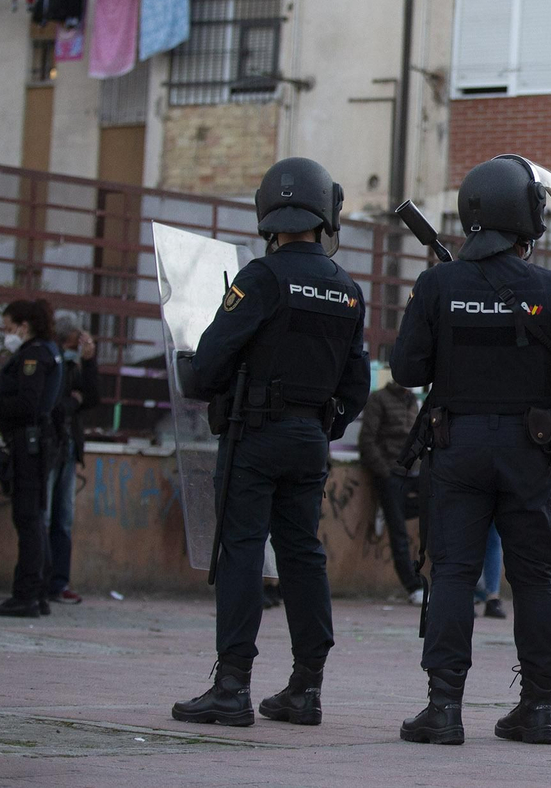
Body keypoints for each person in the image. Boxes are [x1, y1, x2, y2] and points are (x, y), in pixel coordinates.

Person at [391, 154, 551, 747]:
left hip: (456, 447)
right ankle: (537, 709)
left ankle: (443, 708)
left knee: (454, 571)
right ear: (527, 216)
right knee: (535, 578)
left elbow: (407, 368)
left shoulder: (437, 284)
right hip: (531, 454)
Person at [172, 157, 371, 729]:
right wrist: (317, 425)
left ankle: (232, 686)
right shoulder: (348, 289)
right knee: (303, 555)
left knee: (241, 549)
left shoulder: (261, 278)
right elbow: (356, 385)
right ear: (325, 214)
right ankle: (306, 688)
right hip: (310, 440)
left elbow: (210, 361)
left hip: (255, 436)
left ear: (268, 213)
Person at [0, 299, 63, 617]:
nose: (6, 333)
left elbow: (26, 404)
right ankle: (37, 594)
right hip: (33, 445)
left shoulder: (35, 354)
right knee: (34, 519)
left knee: (28, 519)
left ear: (24, 326)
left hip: (29, 446)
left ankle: (26, 596)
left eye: (8, 328)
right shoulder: (40, 350)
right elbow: (15, 385)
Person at [45, 314, 99, 605]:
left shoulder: (75, 365)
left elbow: (92, 397)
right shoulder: (52, 361)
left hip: (68, 448)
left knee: (63, 520)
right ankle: (40, 580)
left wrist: (90, 361)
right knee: (44, 517)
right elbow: (56, 406)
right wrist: (73, 402)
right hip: (49, 448)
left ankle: (58, 582)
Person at [359, 374, 425, 605]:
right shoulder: (379, 399)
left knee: (438, 504)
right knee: (398, 532)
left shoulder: (413, 401)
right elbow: (367, 440)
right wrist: (385, 472)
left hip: (414, 471)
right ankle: (413, 587)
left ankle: (388, 510)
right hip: (390, 472)